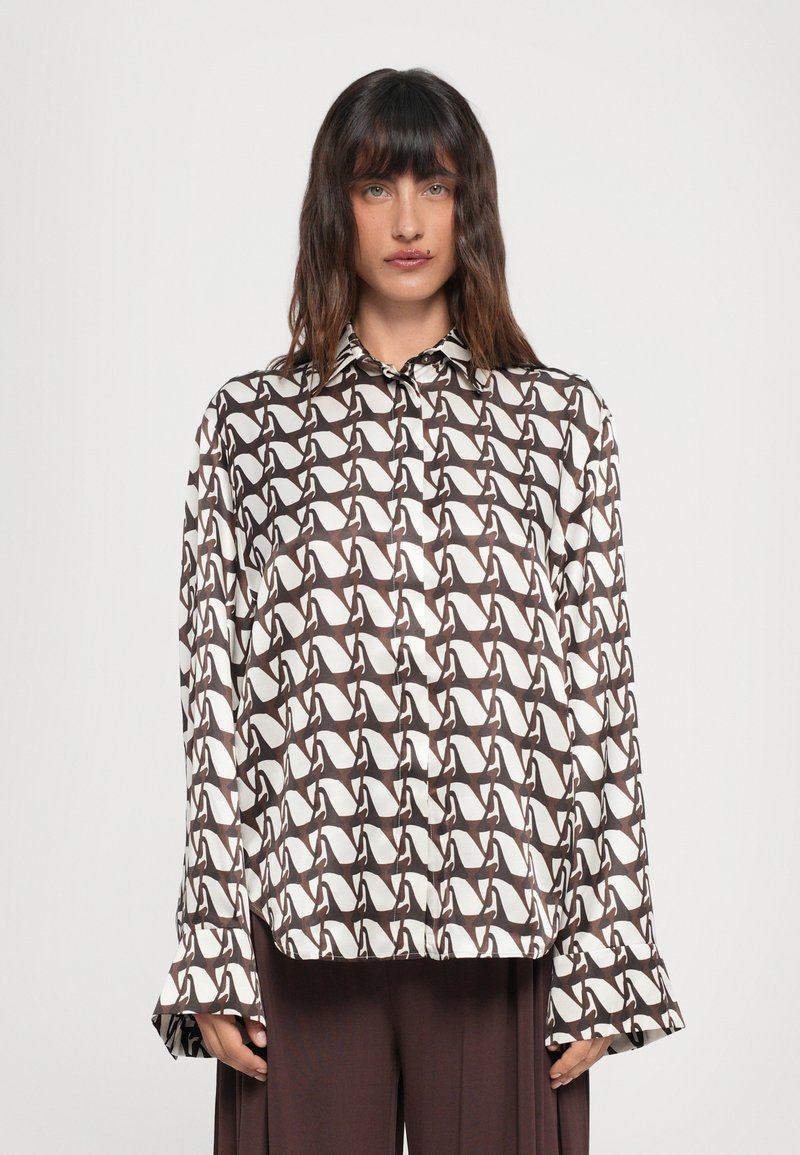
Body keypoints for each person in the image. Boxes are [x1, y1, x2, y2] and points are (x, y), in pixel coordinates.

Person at [151, 67, 686, 1154]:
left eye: (433, 186)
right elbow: (213, 706)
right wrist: (211, 946)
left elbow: (600, 699)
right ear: (333, 208)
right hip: (298, 926)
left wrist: (606, 955)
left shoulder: (557, 425)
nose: (406, 221)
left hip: (505, 924)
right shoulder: (249, 430)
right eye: (374, 187)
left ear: (468, 204)